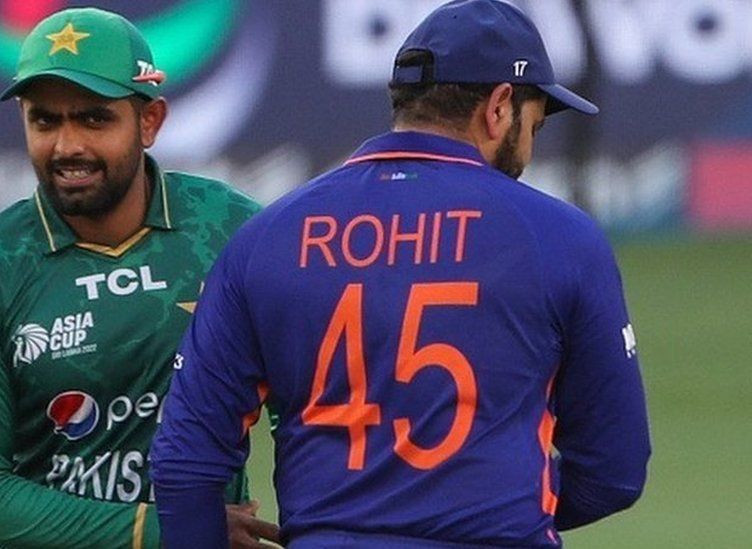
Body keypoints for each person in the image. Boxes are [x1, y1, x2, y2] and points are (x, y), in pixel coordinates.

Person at [150, 0, 651, 547]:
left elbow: (185, 463)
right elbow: (613, 471)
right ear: (500, 106)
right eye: (534, 122)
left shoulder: (265, 239)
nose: (529, 146)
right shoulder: (562, 237)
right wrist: (492, 498)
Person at [0, 7, 278, 548]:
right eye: (45, 120)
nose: (68, 146)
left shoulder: (231, 229)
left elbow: (307, 398)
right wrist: (167, 530)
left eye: (94, 118)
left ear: (150, 121)